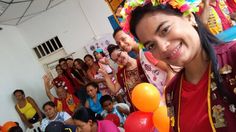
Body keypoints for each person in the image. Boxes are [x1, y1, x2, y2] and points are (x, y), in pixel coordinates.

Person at [128, 0, 236, 131]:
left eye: (165, 30)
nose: (162, 47)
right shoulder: (172, 91)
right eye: (151, 45)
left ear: (189, 17)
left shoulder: (232, 57)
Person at [113, 27, 175, 95]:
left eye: (123, 39)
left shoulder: (146, 52)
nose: (121, 44)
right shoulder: (140, 56)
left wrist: (164, 95)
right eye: (118, 43)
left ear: (131, 35)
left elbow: (171, 71)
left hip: (172, 91)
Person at [99, 44, 149, 111]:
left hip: (153, 100)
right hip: (137, 108)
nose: (119, 59)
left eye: (119, 55)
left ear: (124, 51)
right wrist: (106, 76)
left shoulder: (142, 62)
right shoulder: (121, 73)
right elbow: (114, 89)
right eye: (116, 60)